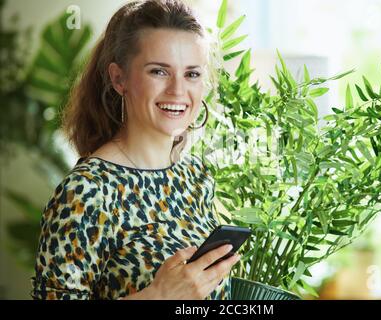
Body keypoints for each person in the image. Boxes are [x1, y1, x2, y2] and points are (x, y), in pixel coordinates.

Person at [30, 0, 240, 300]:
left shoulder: (195, 176)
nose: (178, 91)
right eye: (159, 71)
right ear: (119, 79)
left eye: (191, 74)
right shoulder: (87, 192)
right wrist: (159, 295)